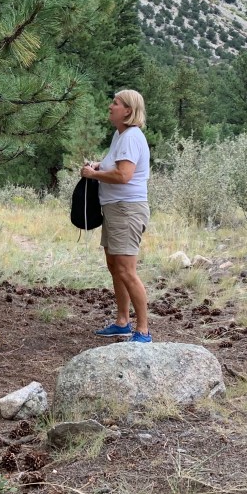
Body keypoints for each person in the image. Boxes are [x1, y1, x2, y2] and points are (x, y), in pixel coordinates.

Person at [80, 89, 152, 343]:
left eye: (116, 103)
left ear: (128, 111)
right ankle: (122, 322)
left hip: (127, 210)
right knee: (115, 266)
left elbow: (124, 175)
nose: (111, 107)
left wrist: (94, 175)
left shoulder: (131, 136)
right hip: (115, 209)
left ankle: (143, 331)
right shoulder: (120, 135)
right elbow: (116, 165)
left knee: (126, 270)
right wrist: (99, 166)